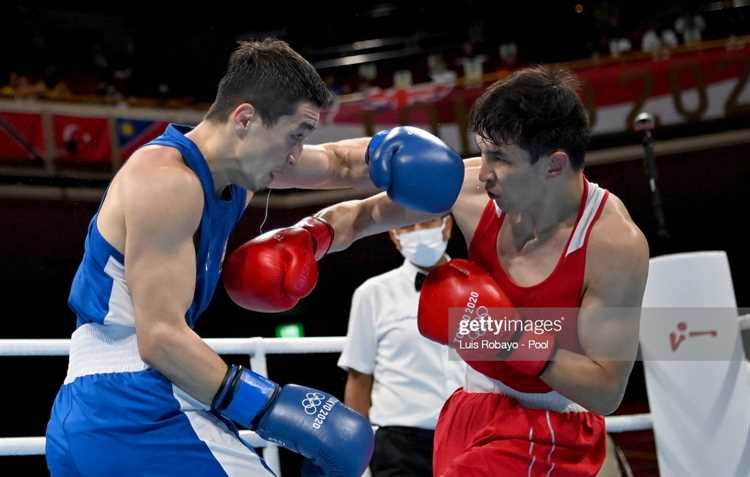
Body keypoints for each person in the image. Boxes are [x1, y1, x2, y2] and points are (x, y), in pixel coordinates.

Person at [45, 38, 464, 477]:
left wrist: (425, 169)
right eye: (295, 135)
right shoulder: (168, 182)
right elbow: (160, 338)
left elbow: (340, 164)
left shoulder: (235, 173)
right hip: (133, 402)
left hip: (103, 407)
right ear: (245, 118)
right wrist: (269, 405)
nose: (295, 154)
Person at [234, 65, 648, 476]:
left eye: (500, 159)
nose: (483, 173)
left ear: (554, 165)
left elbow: (607, 389)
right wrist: (311, 236)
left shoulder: (611, 244)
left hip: (549, 423)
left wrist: (510, 340)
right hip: (467, 409)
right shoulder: (473, 189)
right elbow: (355, 192)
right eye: (484, 152)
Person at [338, 216, 466, 477]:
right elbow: (358, 378)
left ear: (448, 226)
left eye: (426, 222)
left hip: (469, 436)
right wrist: (358, 456)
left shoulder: (480, 284)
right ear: (394, 236)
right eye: (407, 225)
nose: (418, 232)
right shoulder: (372, 293)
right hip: (399, 444)